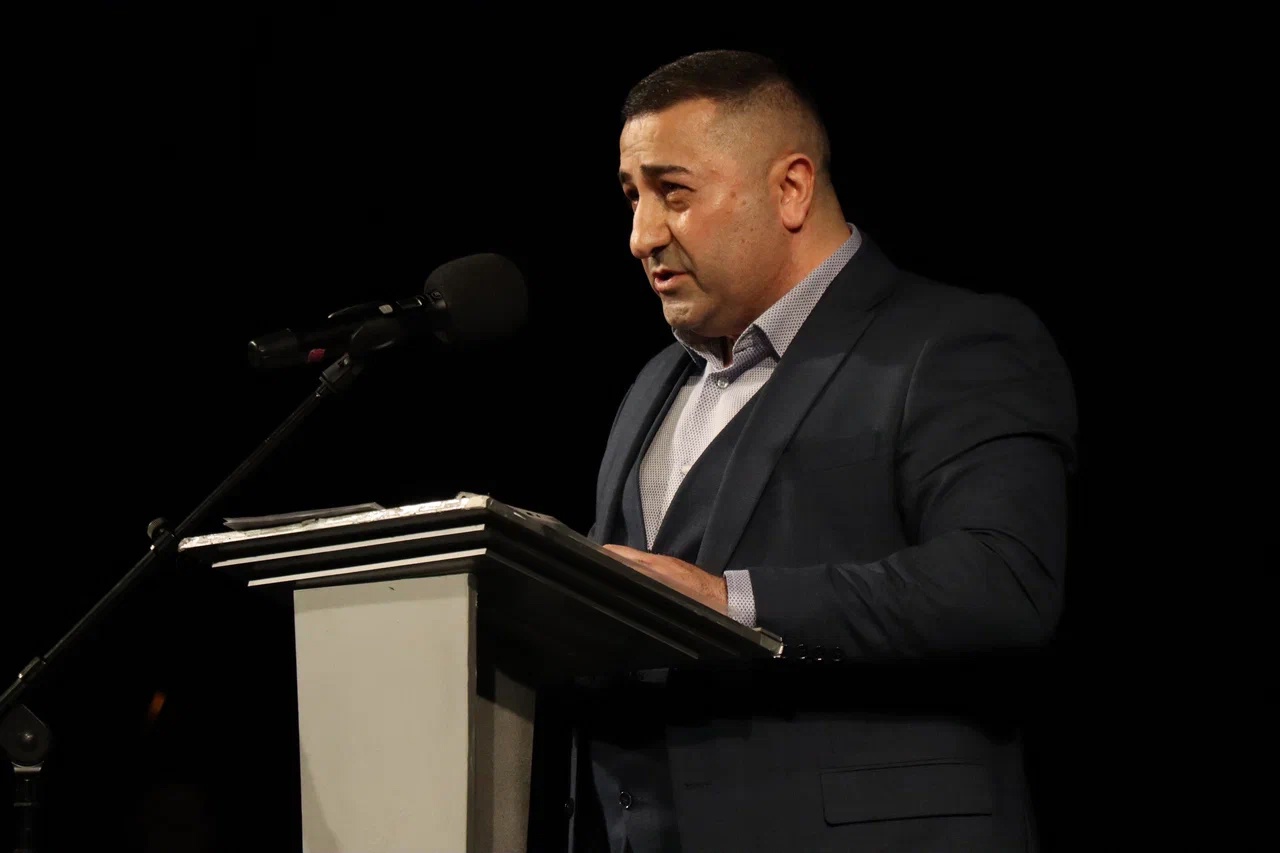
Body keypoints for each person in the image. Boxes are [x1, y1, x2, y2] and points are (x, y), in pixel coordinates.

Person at [565, 48, 1078, 852]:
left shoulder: (954, 343)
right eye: (632, 196)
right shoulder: (651, 386)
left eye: (674, 193)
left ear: (792, 188)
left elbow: (1002, 581)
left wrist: (730, 601)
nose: (641, 235)